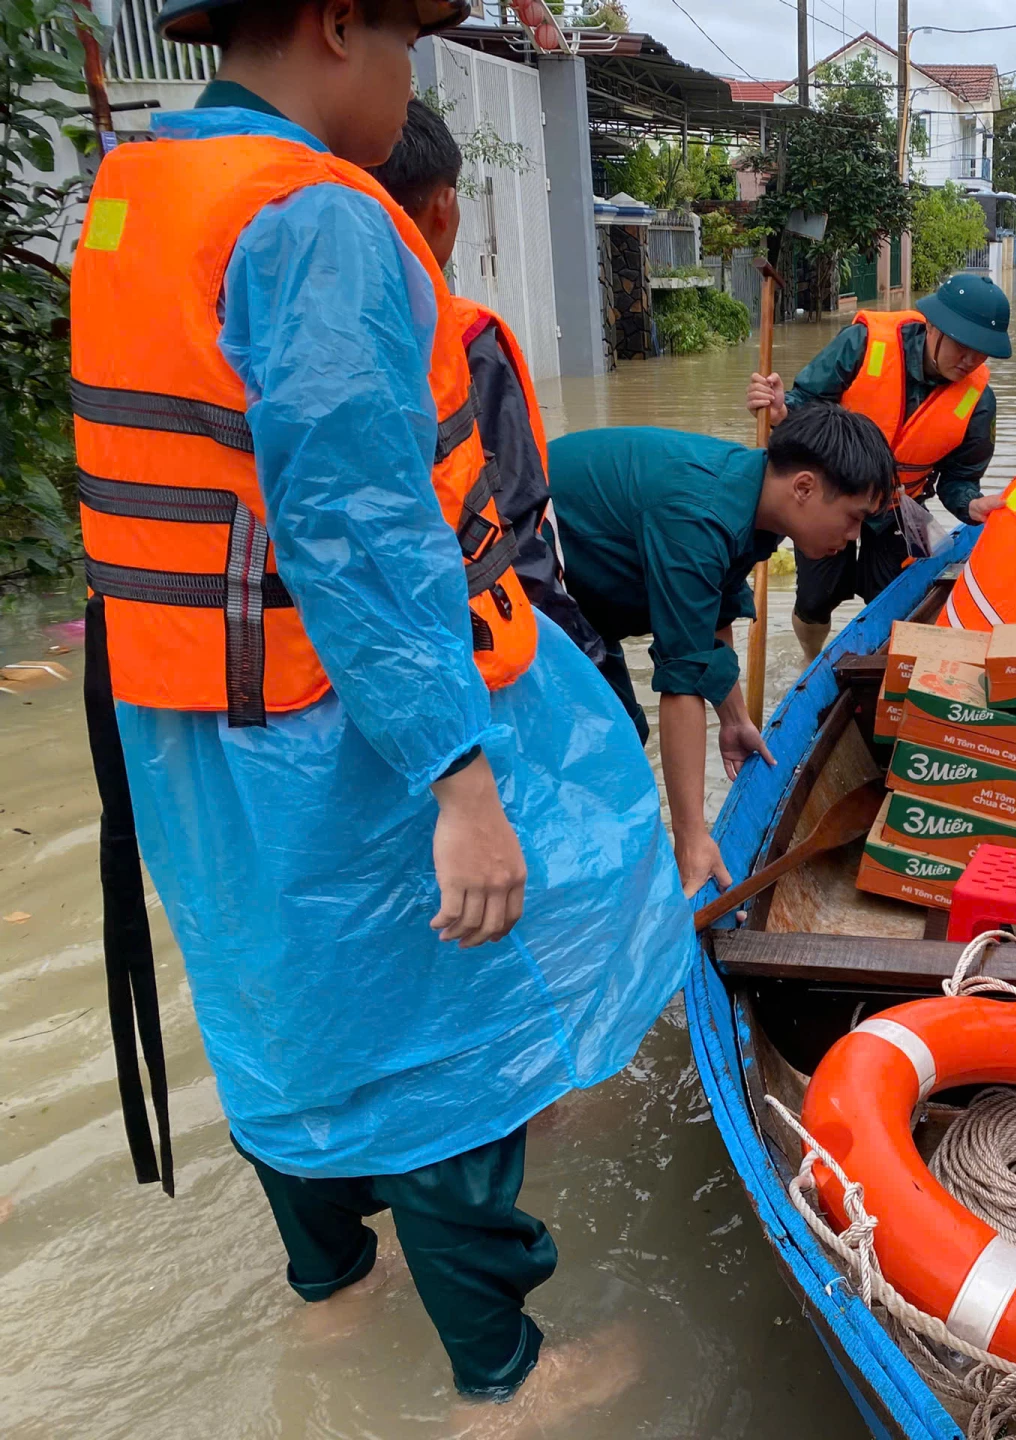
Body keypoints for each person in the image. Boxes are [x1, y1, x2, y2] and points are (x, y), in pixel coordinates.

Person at [69, 0, 694, 1425]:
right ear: (339, 24)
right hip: (333, 721)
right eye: (412, 45)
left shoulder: (140, 191)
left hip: (184, 717)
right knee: (447, 1034)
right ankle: (505, 1378)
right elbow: (357, 523)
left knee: (284, 1005)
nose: (414, 81)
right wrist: (458, 780)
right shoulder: (315, 215)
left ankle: (333, 1292)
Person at [545, 407, 894, 897]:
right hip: (525, 573)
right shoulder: (699, 517)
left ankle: (611, 878)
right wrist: (692, 837)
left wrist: (734, 718)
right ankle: (572, 889)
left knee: (622, 733)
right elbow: (682, 680)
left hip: (583, 591)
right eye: (854, 518)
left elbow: (713, 615)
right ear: (804, 488)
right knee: (598, 746)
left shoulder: (752, 498)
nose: (854, 537)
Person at [367, 98, 610, 671]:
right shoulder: (467, 340)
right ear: (444, 208)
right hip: (472, 647)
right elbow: (518, 528)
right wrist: (587, 665)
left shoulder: (271, 332)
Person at [745, 272, 1014, 660]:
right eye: (962, 345)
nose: (970, 360)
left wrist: (972, 504)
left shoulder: (979, 403)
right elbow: (805, 402)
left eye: (982, 351)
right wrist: (781, 410)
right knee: (815, 599)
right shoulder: (863, 343)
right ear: (933, 326)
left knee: (897, 602)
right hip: (832, 495)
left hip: (898, 509)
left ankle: (884, 670)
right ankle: (810, 658)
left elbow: (959, 480)